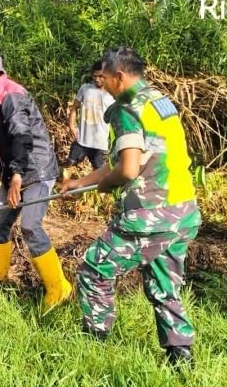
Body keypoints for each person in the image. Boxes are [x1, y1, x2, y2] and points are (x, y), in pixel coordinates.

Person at [61, 48, 201, 366]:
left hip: (150, 215)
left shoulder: (126, 109)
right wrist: (80, 183)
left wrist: (104, 186)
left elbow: (126, 170)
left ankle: (94, 346)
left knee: (93, 270)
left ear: (119, 77)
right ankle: (180, 357)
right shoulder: (159, 101)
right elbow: (132, 159)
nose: (103, 84)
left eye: (106, 78)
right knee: (164, 285)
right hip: (182, 211)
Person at [0, 52, 69, 311]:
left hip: (36, 172)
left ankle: (59, 289)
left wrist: (17, 176)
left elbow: (22, 137)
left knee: (31, 226)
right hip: (15, 171)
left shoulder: (10, 96)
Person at [64, 60, 115, 176]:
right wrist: (72, 126)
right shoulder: (85, 89)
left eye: (101, 76)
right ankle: (65, 191)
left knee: (99, 174)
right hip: (82, 139)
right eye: (95, 76)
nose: (97, 79)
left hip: (100, 142)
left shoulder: (112, 94)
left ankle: (98, 194)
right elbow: (74, 108)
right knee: (69, 165)